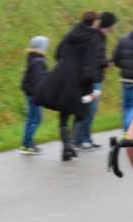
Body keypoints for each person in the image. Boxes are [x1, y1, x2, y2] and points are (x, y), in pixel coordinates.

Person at [35, 11, 104, 161]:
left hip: (62, 74)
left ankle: (66, 146)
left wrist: (66, 63)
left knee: (64, 112)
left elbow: (57, 52)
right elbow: (90, 62)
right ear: (94, 23)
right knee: (80, 113)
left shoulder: (71, 33)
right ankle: (69, 146)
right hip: (79, 79)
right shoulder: (93, 38)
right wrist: (91, 80)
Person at [75, 11, 117, 151]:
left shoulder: (100, 37)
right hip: (92, 79)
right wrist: (108, 63)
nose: (113, 28)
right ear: (108, 25)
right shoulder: (97, 38)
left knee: (91, 110)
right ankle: (81, 140)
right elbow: (95, 60)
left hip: (95, 77)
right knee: (88, 109)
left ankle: (86, 138)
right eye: (112, 25)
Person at [20, 36, 50, 155]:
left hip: (30, 92)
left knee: (31, 118)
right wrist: (41, 95)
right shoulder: (39, 61)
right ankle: (28, 144)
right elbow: (38, 80)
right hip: (35, 94)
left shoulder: (33, 58)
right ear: (41, 47)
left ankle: (27, 143)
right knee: (36, 119)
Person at [112, 22, 133, 136]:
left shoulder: (124, 39)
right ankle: (128, 132)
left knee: (126, 106)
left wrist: (124, 68)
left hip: (125, 79)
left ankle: (125, 133)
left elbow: (116, 58)